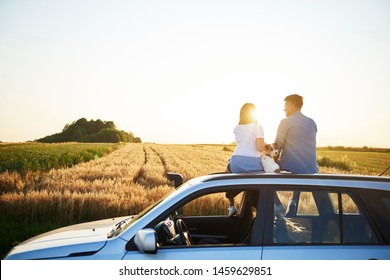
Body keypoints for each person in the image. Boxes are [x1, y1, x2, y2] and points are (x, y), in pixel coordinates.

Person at [274, 94, 318, 216]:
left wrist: (272, 164)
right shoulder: (312, 122)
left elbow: (277, 147)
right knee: (299, 163)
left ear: (292, 106)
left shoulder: (286, 122)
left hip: (291, 169)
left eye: (285, 106)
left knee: (259, 168)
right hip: (311, 170)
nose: (284, 109)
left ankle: (277, 205)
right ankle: (293, 201)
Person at [226, 103, 265, 216]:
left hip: (236, 161)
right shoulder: (258, 127)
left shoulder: (237, 128)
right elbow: (259, 147)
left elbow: (244, 144)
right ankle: (263, 212)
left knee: (227, 171)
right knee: (258, 185)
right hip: (253, 164)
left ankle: (232, 206)